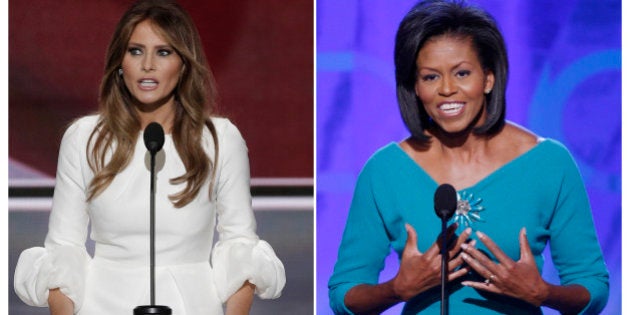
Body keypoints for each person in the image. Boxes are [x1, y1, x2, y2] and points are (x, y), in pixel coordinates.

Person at [328, 0, 609, 314]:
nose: (447, 89)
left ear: (488, 78)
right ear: (415, 88)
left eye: (462, 73)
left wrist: (541, 291)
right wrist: (397, 289)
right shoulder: (384, 171)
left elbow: (593, 287)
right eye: (430, 77)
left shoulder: (550, 164)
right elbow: (344, 295)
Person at [13, 1, 286, 314]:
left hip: (191, 303)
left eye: (164, 52)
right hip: (103, 304)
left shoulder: (219, 139)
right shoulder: (85, 139)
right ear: (120, 62)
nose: (148, 65)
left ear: (184, 64)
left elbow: (240, 243)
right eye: (136, 51)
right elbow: (63, 248)